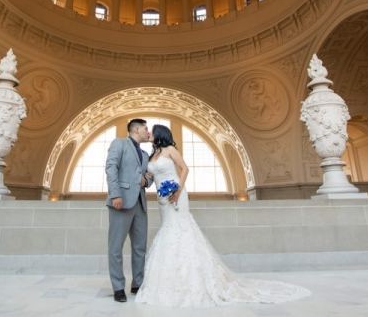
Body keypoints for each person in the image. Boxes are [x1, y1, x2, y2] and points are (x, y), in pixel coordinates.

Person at [135, 124, 312, 308]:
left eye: (152, 132)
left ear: (160, 134)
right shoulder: (151, 155)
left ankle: (193, 281)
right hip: (162, 199)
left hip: (177, 195)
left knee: (181, 229)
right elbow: (150, 176)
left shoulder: (170, 149)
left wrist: (178, 190)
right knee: (168, 229)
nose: (149, 134)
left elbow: (185, 169)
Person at [105, 118, 153, 303]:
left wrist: (146, 181)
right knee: (116, 246)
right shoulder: (119, 143)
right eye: (146, 129)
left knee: (140, 247)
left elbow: (149, 176)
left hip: (140, 203)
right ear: (136, 129)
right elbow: (111, 168)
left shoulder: (145, 154)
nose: (148, 132)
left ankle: (137, 284)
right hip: (121, 201)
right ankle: (118, 287)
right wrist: (115, 194)